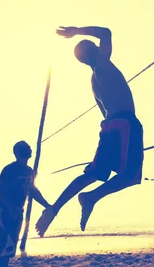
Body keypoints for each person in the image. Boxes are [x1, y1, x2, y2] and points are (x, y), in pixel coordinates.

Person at [35, 26, 144, 236]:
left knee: (96, 174)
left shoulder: (94, 80)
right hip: (125, 124)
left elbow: (104, 112)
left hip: (111, 125)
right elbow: (106, 32)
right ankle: (85, 199)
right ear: (94, 50)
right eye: (94, 45)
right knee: (130, 176)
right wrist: (76, 31)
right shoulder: (102, 64)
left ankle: (63, 206)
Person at [0, 141, 50, 267]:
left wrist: (48, 206)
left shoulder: (30, 171)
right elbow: (1, 191)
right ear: (16, 153)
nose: (28, 149)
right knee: (5, 247)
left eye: (29, 147)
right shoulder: (9, 169)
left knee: (10, 249)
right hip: (4, 212)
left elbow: (33, 191)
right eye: (24, 148)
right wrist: (11, 207)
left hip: (18, 213)